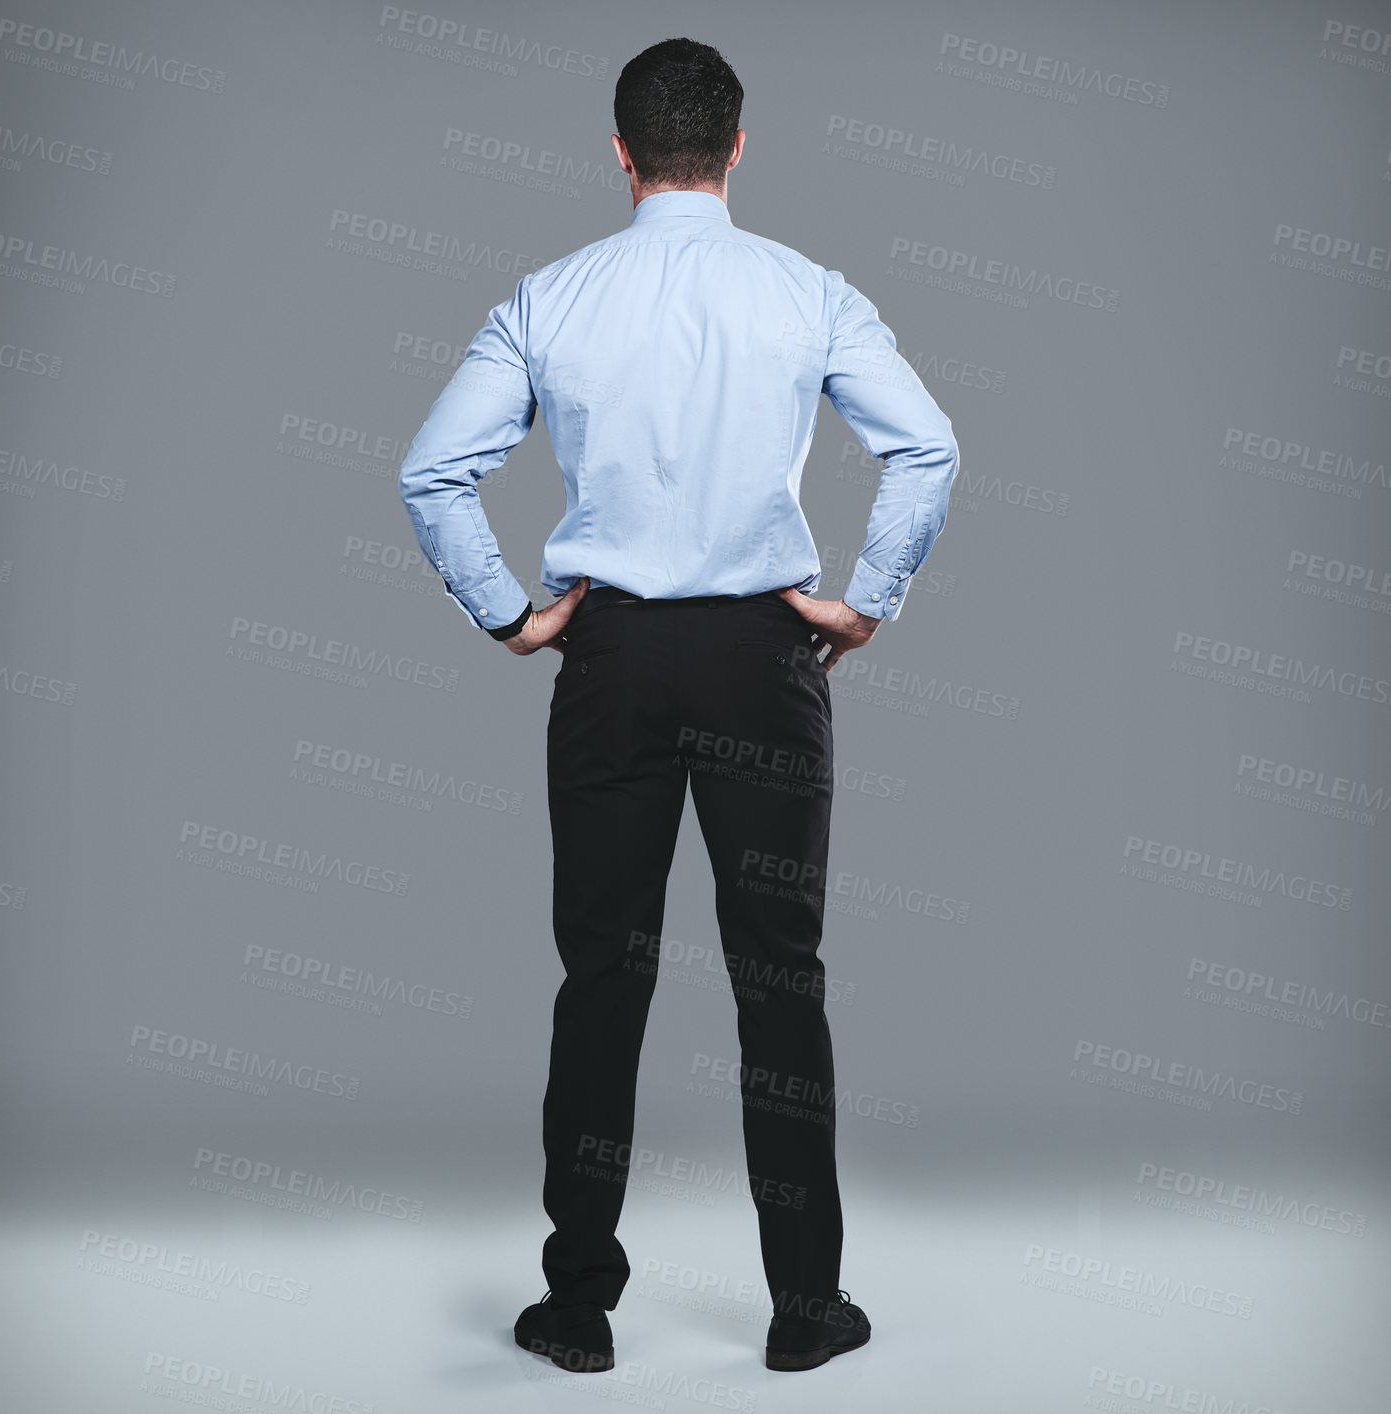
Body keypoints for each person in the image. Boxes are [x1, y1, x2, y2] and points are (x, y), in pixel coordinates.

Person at [397, 36, 960, 1375]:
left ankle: (577, 1305)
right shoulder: (807, 292)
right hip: (765, 661)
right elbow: (926, 445)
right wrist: (866, 595)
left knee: (601, 978)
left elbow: (432, 471)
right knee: (781, 980)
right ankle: (805, 1309)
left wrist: (508, 609)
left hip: (612, 661)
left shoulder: (546, 298)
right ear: (736, 147)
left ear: (619, 153)